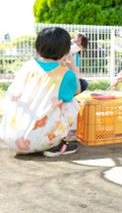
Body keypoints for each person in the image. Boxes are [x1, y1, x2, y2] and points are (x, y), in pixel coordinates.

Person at [0, 27, 80, 157]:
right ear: (66, 51)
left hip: (10, 138)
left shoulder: (27, 66)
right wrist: (72, 67)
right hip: (39, 142)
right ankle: (55, 145)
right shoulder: (65, 74)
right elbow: (77, 90)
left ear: (38, 47)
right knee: (72, 103)